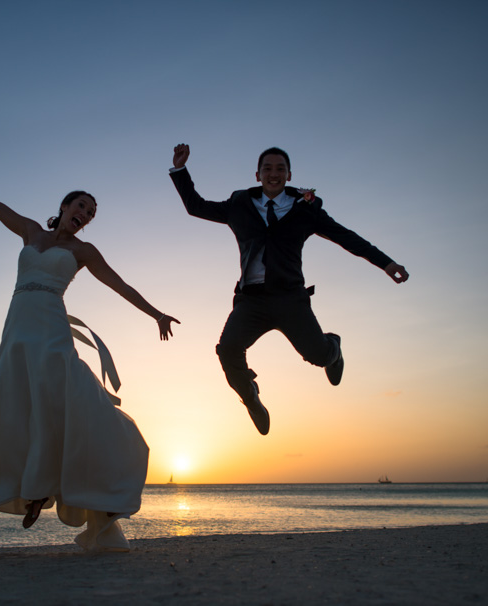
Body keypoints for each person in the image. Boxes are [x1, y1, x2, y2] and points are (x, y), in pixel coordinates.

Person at [0, 153, 179, 552]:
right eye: (81, 207)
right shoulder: (29, 231)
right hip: (17, 331)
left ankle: (59, 488)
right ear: (63, 206)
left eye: (91, 213)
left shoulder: (84, 251)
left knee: (68, 402)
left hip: (52, 330)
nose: (86, 215)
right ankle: (34, 489)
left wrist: (157, 314)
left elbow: (120, 285)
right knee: (19, 405)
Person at [169, 143, 408, 436]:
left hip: (290, 300)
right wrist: (180, 169)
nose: (273, 173)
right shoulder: (239, 204)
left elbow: (345, 237)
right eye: (267, 168)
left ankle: (333, 346)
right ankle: (251, 398)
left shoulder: (306, 208)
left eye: (280, 168)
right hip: (251, 301)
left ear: (289, 174)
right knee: (228, 350)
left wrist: (386, 263)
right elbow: (196, 206)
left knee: (318, 356)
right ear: (257, 175)